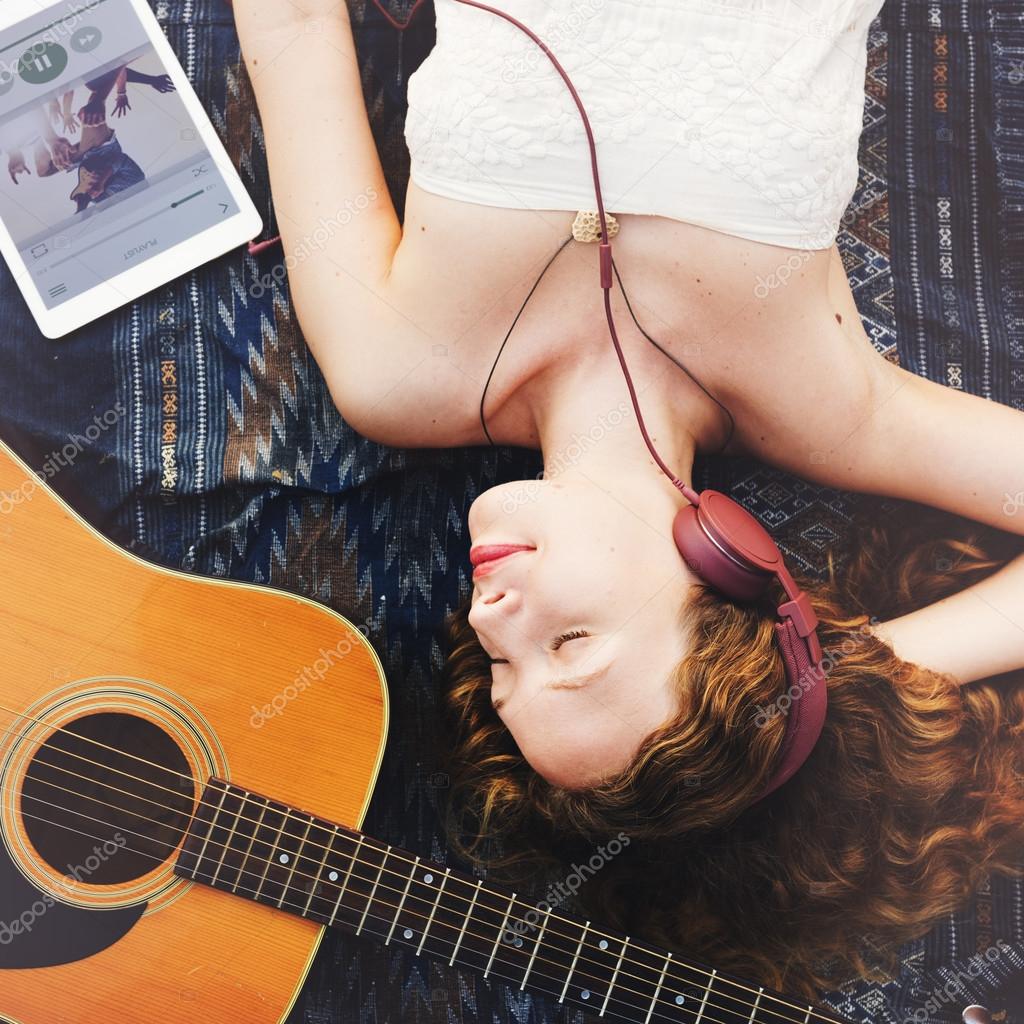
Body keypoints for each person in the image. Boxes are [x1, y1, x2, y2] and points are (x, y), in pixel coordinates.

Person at [231, 0, 1024, 998]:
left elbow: (296, 27)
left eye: (502, 668)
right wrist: (816, 682)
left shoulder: (391, 374)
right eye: (573, 647)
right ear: (723, 572)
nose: (493, 618)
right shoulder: (820, 405)